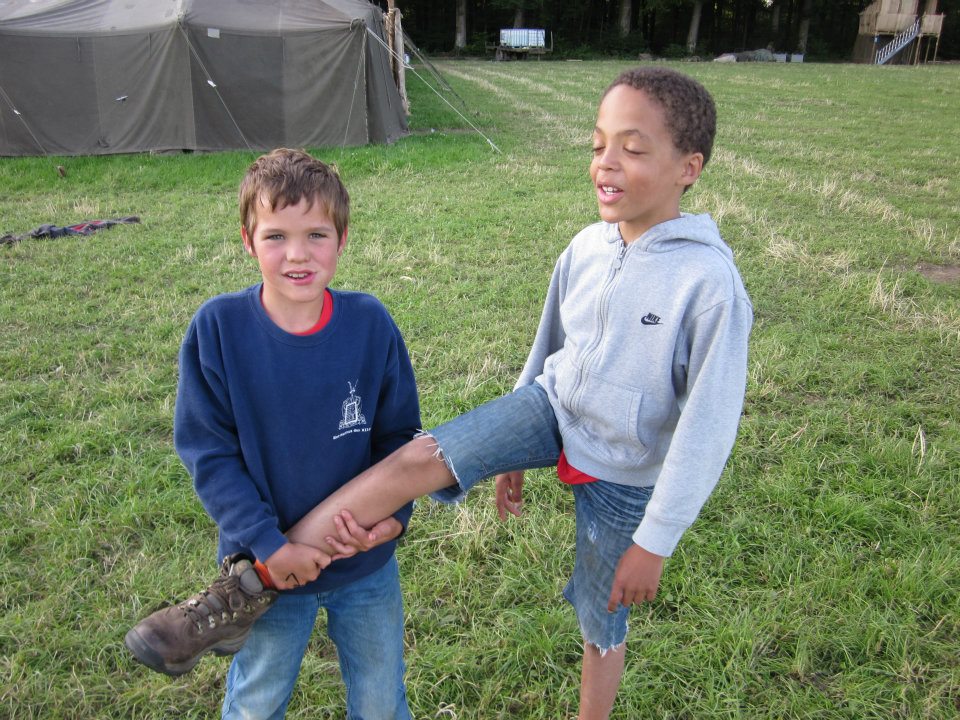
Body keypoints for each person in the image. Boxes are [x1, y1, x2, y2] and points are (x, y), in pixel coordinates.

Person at [130, 67, 753, 720]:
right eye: (598, 144)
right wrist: (510, 446)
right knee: (416, 458)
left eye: (632, 147)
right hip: (551, 407)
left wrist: (654, 542)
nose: (606, 163)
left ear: (689, 166)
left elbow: (708, 426)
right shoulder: (587, 247)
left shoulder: (706, 282)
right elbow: (550, 351)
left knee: (602, 616)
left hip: (625, 461)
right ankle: (248, 586)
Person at [125, 148, 421, 720]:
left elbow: (399, 440)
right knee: (257, 700)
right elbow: (209, 454)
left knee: (382, 694)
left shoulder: (370, 324)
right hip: (267, 572)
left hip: (364, 567)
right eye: (276, 237)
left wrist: (391, 522)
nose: (297, 255)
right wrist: (269, 544)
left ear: (341, 238)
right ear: (247, 240)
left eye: (316, 235)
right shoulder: (219, 329)